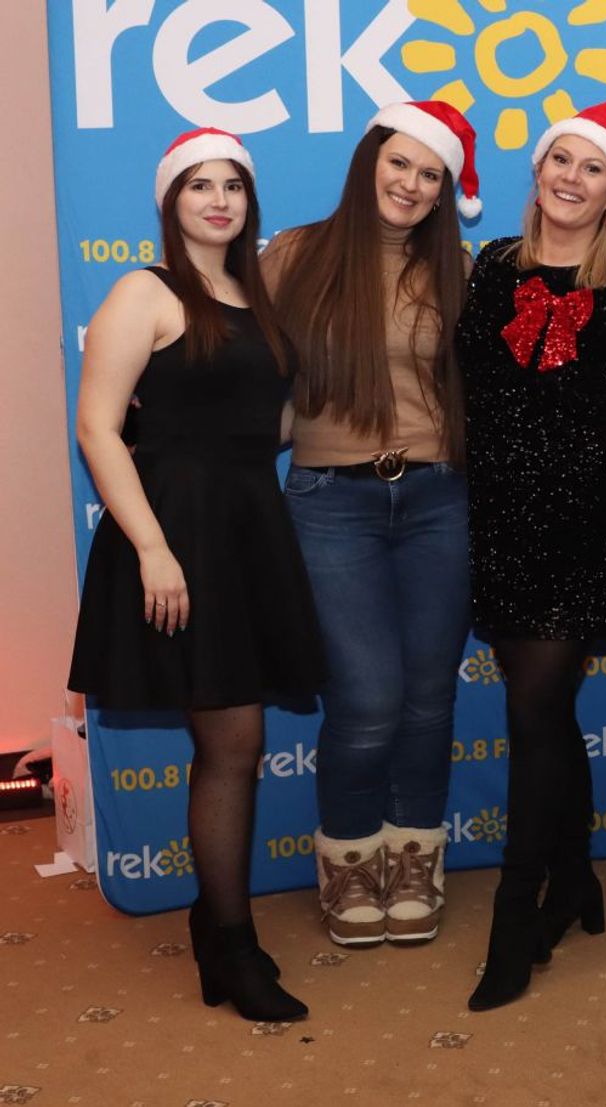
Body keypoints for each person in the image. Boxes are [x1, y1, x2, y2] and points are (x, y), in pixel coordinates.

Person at [69, 128, 321, 1021]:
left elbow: (266, 423)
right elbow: (98, 426)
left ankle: (218, 934)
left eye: (233, 186)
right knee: (234, 742)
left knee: (232, 745)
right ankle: (232, 944)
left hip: (248, 528)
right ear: (170, 201)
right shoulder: (146, 291)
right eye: (199, 186)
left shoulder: (257, 300)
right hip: (177, 532)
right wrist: (151, 548)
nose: (219, 200)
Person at [456, 102, 606, 1011]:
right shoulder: (490, 268)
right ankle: (578, 876)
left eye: (593, 168)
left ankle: (516, 916)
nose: (571, 178)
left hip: (580, 528)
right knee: (545, 714)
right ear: (539, 170)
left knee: (533, 713)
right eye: (561, 159)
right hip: (498, 522)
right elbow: (469, 390)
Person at [263, 101, 479, 948]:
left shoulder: (458, 267)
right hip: (332, 502)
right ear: (369, 162)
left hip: (440, 498)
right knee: (366, 699)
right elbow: (250, 374)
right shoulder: (295, 255)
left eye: (431, 174)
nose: (412, 184)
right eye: (400, 164)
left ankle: (415, 857)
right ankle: (351, 859)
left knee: (429, 698)